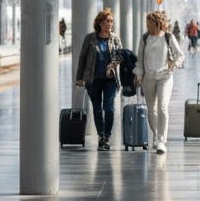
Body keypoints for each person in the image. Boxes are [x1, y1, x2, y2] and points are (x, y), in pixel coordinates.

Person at [132, 10, 183, 155]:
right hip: (148, 78)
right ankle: (155, 134)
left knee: (163, 107)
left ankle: (162, 140)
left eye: (151, 23)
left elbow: (179, 54)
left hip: (165, 77)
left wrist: (177, 63)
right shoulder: (145, 38)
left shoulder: (168, 37)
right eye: (148, 23)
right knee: (151, 110)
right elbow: (140, 59)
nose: (149, 25)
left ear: (157, 23)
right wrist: (138, 74)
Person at [75, 8, 122, 150]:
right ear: (100, 23)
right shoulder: (90, 38)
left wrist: (114, 63)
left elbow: (120, 56)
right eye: (108, 21)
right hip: (92, 79)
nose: (110, 24)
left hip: (110, 79)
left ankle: (107, 135)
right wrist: (79, 77)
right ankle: (101, 136)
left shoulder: (114, 38)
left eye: (112, 21)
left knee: (109, 107)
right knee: (97, 108)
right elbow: (83, 58)